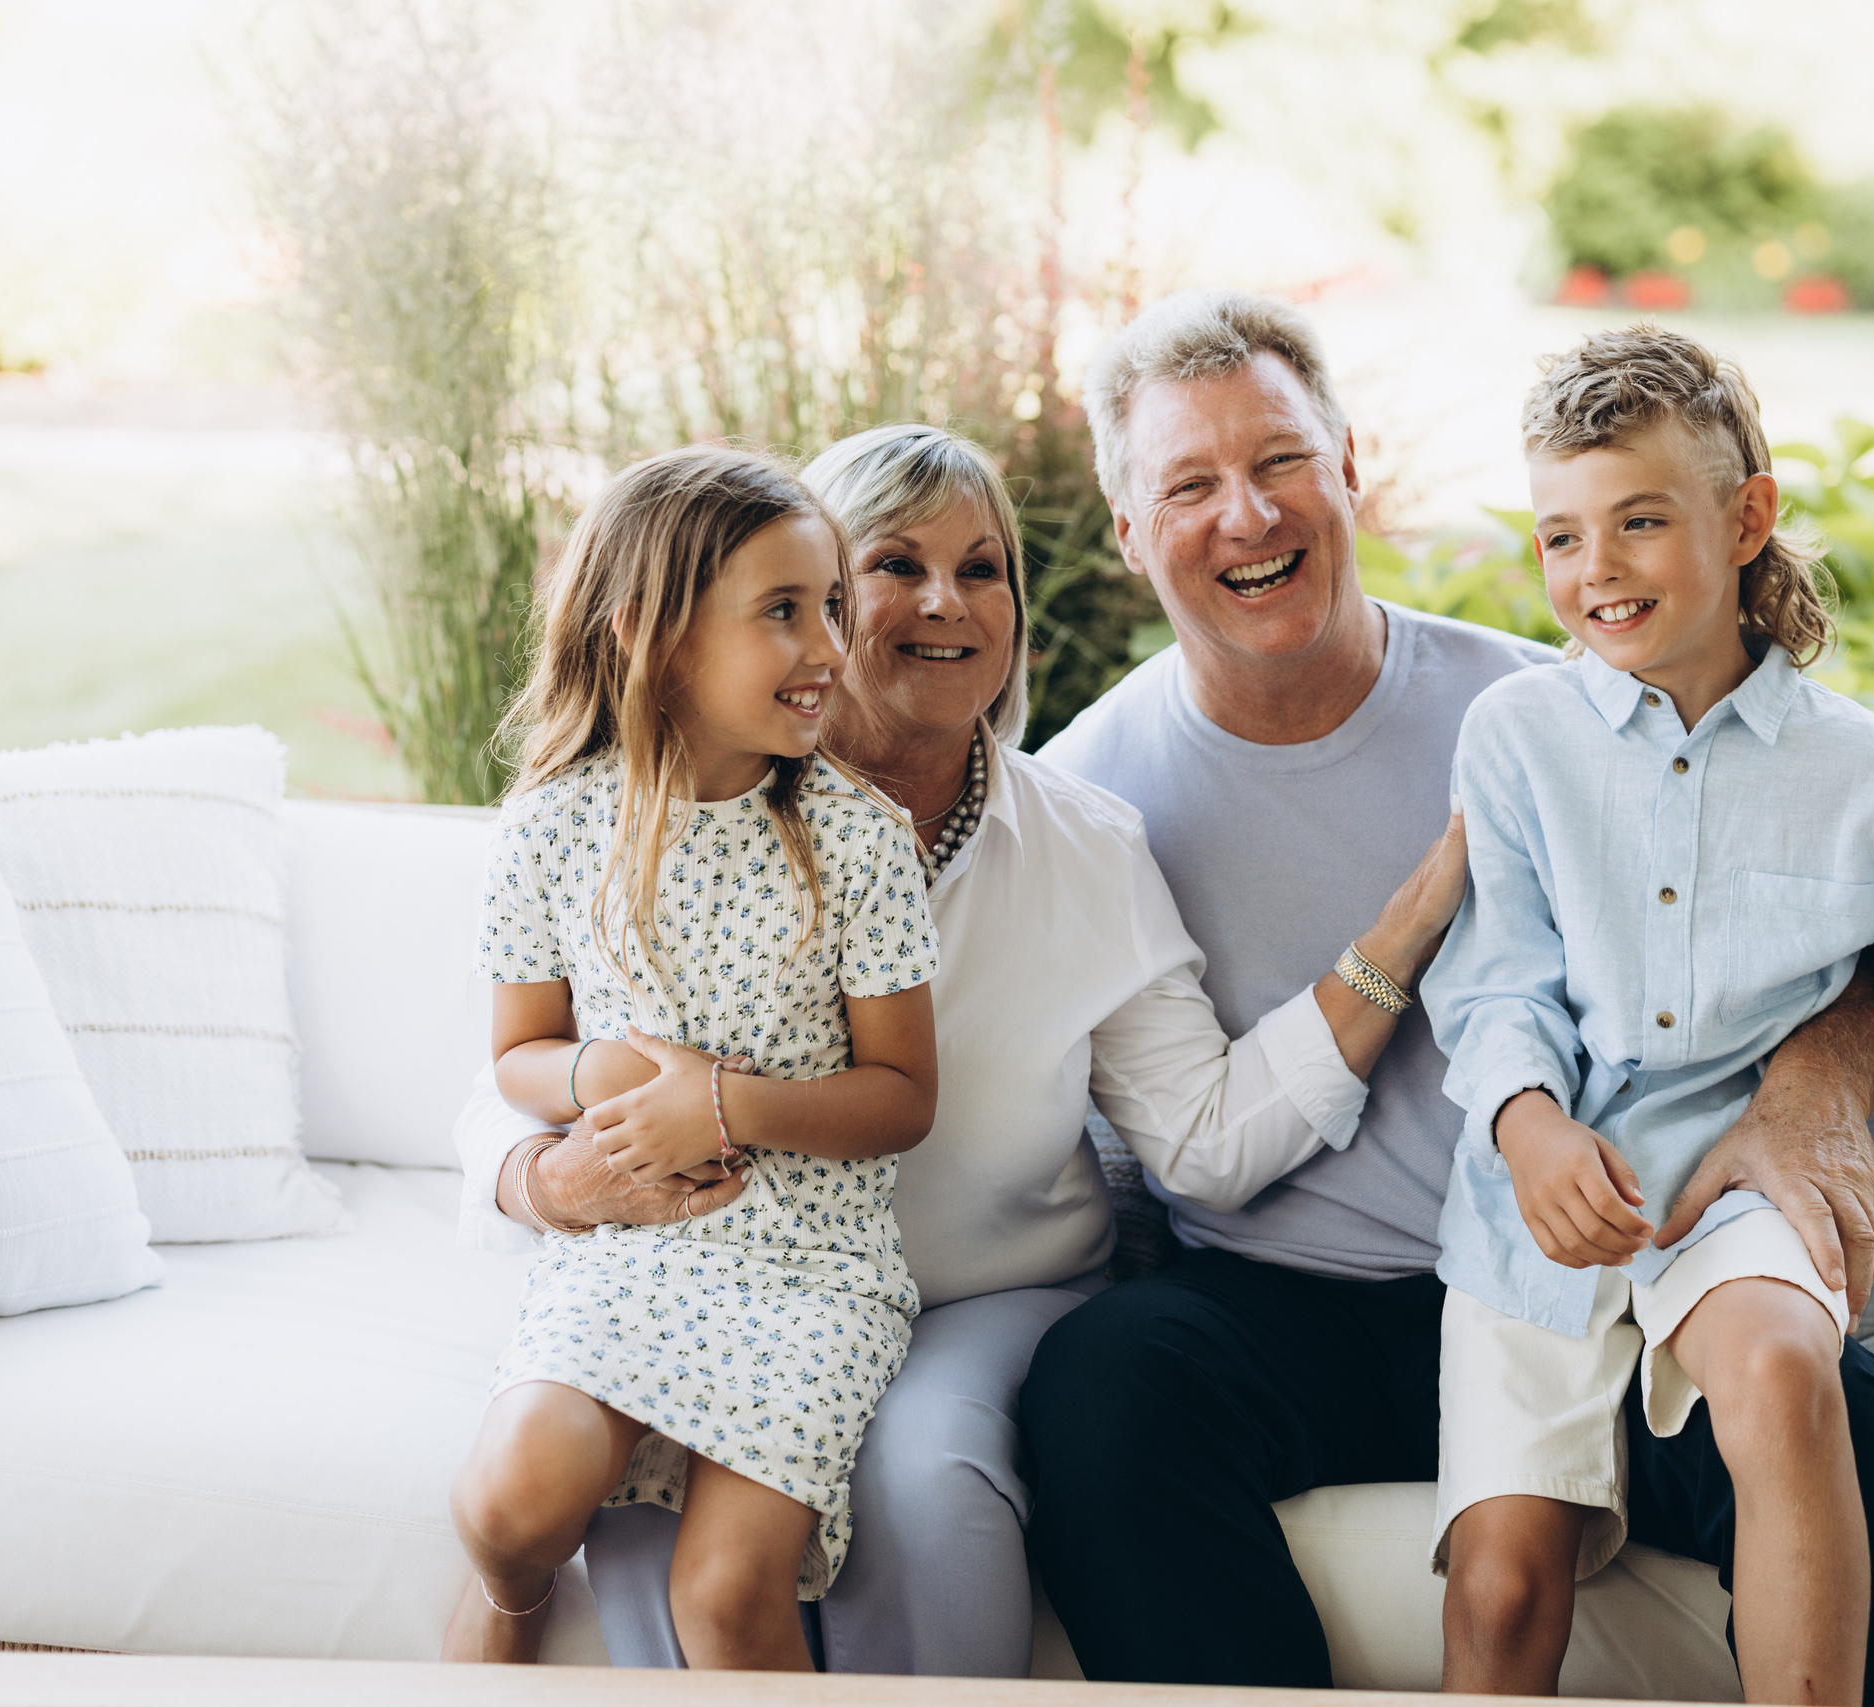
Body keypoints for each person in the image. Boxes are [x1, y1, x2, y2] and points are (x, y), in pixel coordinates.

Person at [451, 422, 1471, 1674]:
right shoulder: (646, 809)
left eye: (982, 570)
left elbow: (1204, 1142)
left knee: (922, 1476)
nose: (946, 602)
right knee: (635, 1509)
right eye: (894, 566)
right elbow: (517, 1068)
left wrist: (1399, 938)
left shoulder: (1085, 843)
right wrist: (546, 1180)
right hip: (702, 1268)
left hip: (981, 1292)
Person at [1018, 289, 1874, 1688]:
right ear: (1131, 534)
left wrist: (1812, 1091)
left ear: (1348, 468)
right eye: (1189, 486)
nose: (1248, 514)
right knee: (1100, 1387)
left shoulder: (1549, 706)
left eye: (1281, 460)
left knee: (1840, 1409)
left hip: (1592, 1280)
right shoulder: (1085, 798)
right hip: (1286, 1305)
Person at [1424, 326, 1874, 1705]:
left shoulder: (1859, 771)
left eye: (1639, 520)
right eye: (1560, 535)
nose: (1595, 568)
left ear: (1746, 518)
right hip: (1543, 1205)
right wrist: (1528, 1127)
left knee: (1786, 1374)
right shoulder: (1515, 737)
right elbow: (1495, 980)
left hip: (1740, 1186)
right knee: (1502, 1582)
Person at [442, 446, 942, 1671]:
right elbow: (518, 1056)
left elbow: (903, 1099)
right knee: (509, 1507)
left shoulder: (860, 841)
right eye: (783, 611)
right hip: (628, 1248)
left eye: (831, 604)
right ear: (650, 637)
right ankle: (510, 1602)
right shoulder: (549, 828)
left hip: (811, 1267)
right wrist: (598, 1079)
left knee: (721, 1596)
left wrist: (719, 1104)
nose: (829, 646)